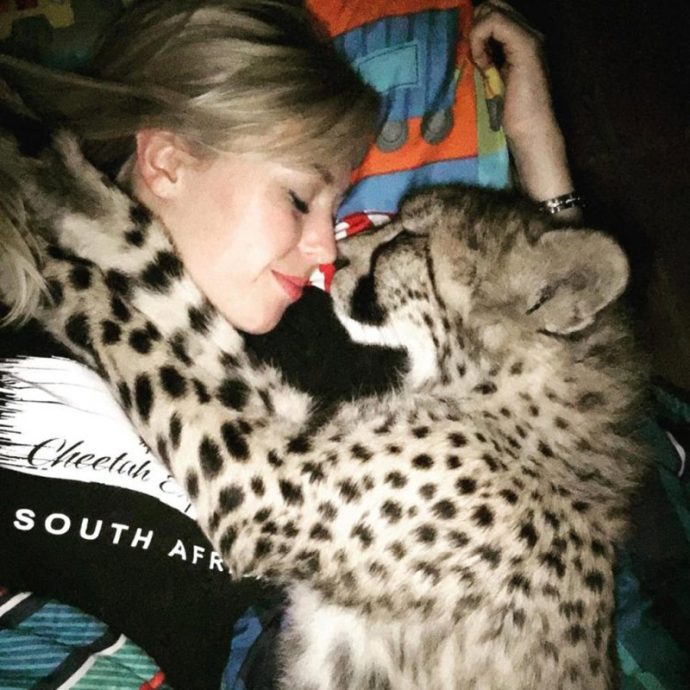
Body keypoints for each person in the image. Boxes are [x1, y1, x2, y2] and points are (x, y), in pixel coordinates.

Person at [0, 1, 585, 688]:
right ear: (167, 161)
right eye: (300, 199)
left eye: (334, 210)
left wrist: (539, 151)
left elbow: (562, 416)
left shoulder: (322, 342)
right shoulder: (19, 255)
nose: (325, 250)